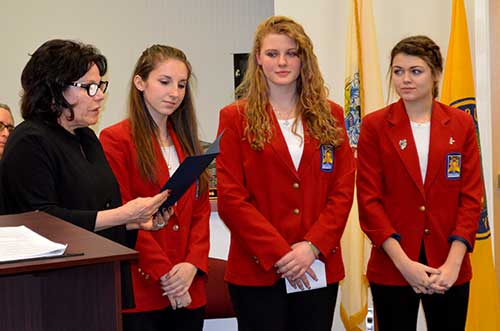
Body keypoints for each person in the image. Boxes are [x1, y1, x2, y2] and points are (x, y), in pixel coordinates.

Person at [0, 39, 171, 310]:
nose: (100, 95)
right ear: (54, 90)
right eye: (89, 87)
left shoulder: (87, 138)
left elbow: (94, 211)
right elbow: (41, 222)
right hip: (52, 292)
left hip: (98, 278)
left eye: (100, 85)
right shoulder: (29, 141)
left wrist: (136, 222)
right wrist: (124, 214)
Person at [216, 16, 355, 331]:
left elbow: (343, 190)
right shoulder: (234, 117)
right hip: (256, 270)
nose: (282, 61)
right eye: (272, 53)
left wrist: (312, 246)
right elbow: (231, 199)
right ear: (258, 60)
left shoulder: (331, 115)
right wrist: (281, 252)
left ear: (304, 59)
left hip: (316, 265)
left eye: (292, 53)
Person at [357, 35, 483, 330]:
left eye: (416, 71)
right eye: (398, 71)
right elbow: (368, 201)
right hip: (393, 264)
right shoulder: (374, 126)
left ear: (436, 74)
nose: (405, 80)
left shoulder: (461, 124)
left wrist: (453, 262)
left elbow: (471, 196)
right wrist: (404, 265)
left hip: (449, 265)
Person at [100, 45, 210, 331]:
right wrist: (167, 275)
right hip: (145, 286)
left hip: (189, 285)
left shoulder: (187, 141)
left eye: (182, 84)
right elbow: (124, 213)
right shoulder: (116, 139)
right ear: (140, 82)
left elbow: (199, 212)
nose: (174, 92)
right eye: (164, 82)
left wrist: (191, 266)